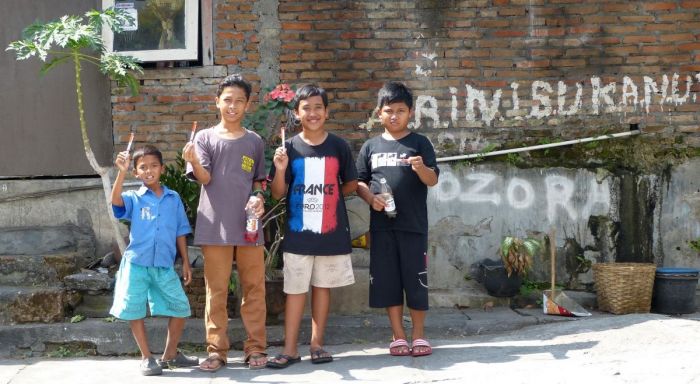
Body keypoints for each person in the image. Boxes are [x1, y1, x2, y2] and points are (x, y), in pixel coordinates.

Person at [266, 84, 358, 368]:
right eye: (306, 108)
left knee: (322, 287)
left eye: (319, 107)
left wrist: (327, 198)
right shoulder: (289, 148)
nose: (313, 112)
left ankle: (317, 344)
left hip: (330, 232)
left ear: (327, 112)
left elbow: (351, 183)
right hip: (298, 233)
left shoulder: (339, 146)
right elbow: (277, 193)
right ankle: (290, 349)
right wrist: (280, 169)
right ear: (297, 113)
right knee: (295, 289)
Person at [182, 74, 268, 371]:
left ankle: (256, 348)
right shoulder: (203, 139)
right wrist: (192, 160)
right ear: (217, 101)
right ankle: (216, 351)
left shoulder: (254, 141)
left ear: (248, 105)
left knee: (254, 288)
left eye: (239, 101)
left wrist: (259, 196)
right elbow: (204, 178)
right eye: (227, 100)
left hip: (249, 226)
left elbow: (258, 179)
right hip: (214, 226)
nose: (232, 106)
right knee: (216, 290)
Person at [355, 81, 440, 357]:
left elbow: (433, 179)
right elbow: (359, 182)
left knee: (416, 281)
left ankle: (419, 335)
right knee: (388, 282)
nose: (394, 116)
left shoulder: (419, 143)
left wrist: (421, 168)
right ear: (379, 112)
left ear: (410, 113)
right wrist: (371, 199)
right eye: (388, 110)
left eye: (400, 111)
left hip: (413, 226)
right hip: (381, 228)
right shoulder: (370, 147)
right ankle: (398, 336)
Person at [109, 144, 198, 376]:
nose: (149, 171)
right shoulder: (133, 198)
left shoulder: (173, 198)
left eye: (154, 166)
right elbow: (116, 203)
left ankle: (170, 355)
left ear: (162, 169)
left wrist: (186, 262)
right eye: (142, 168)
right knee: (135, 310)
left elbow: (180, 230)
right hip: (136, 264)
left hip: (164, 265)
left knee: (180, 307)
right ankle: (147, 358)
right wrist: (120, 172)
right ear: (136, 173)